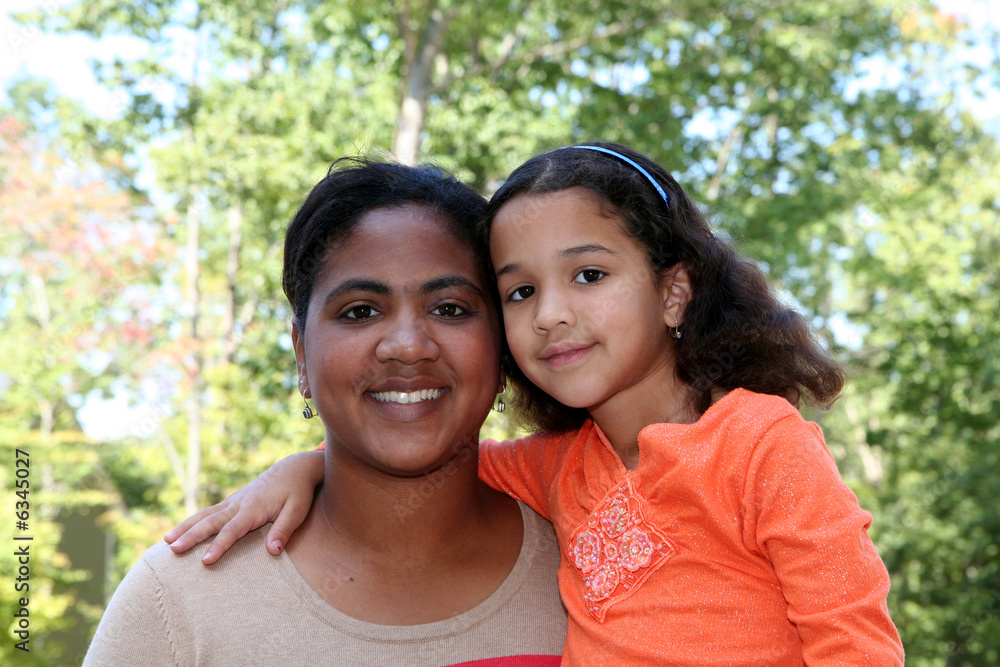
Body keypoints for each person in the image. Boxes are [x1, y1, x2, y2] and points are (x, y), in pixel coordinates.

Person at [167, 143, 905, 665]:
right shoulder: (559, 470)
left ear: (673, 289)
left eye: (587, 274)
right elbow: (426, 455)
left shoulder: (761, 444)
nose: (550, 312)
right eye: (521, 291)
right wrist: (306, 467)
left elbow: (855, 639)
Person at [84, 158, 568, 666]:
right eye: (360, 310)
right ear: (301, 354)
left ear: (502, 348)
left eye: (450, 308)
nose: (407, 346)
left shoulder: (595, 561)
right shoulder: (180, 599)